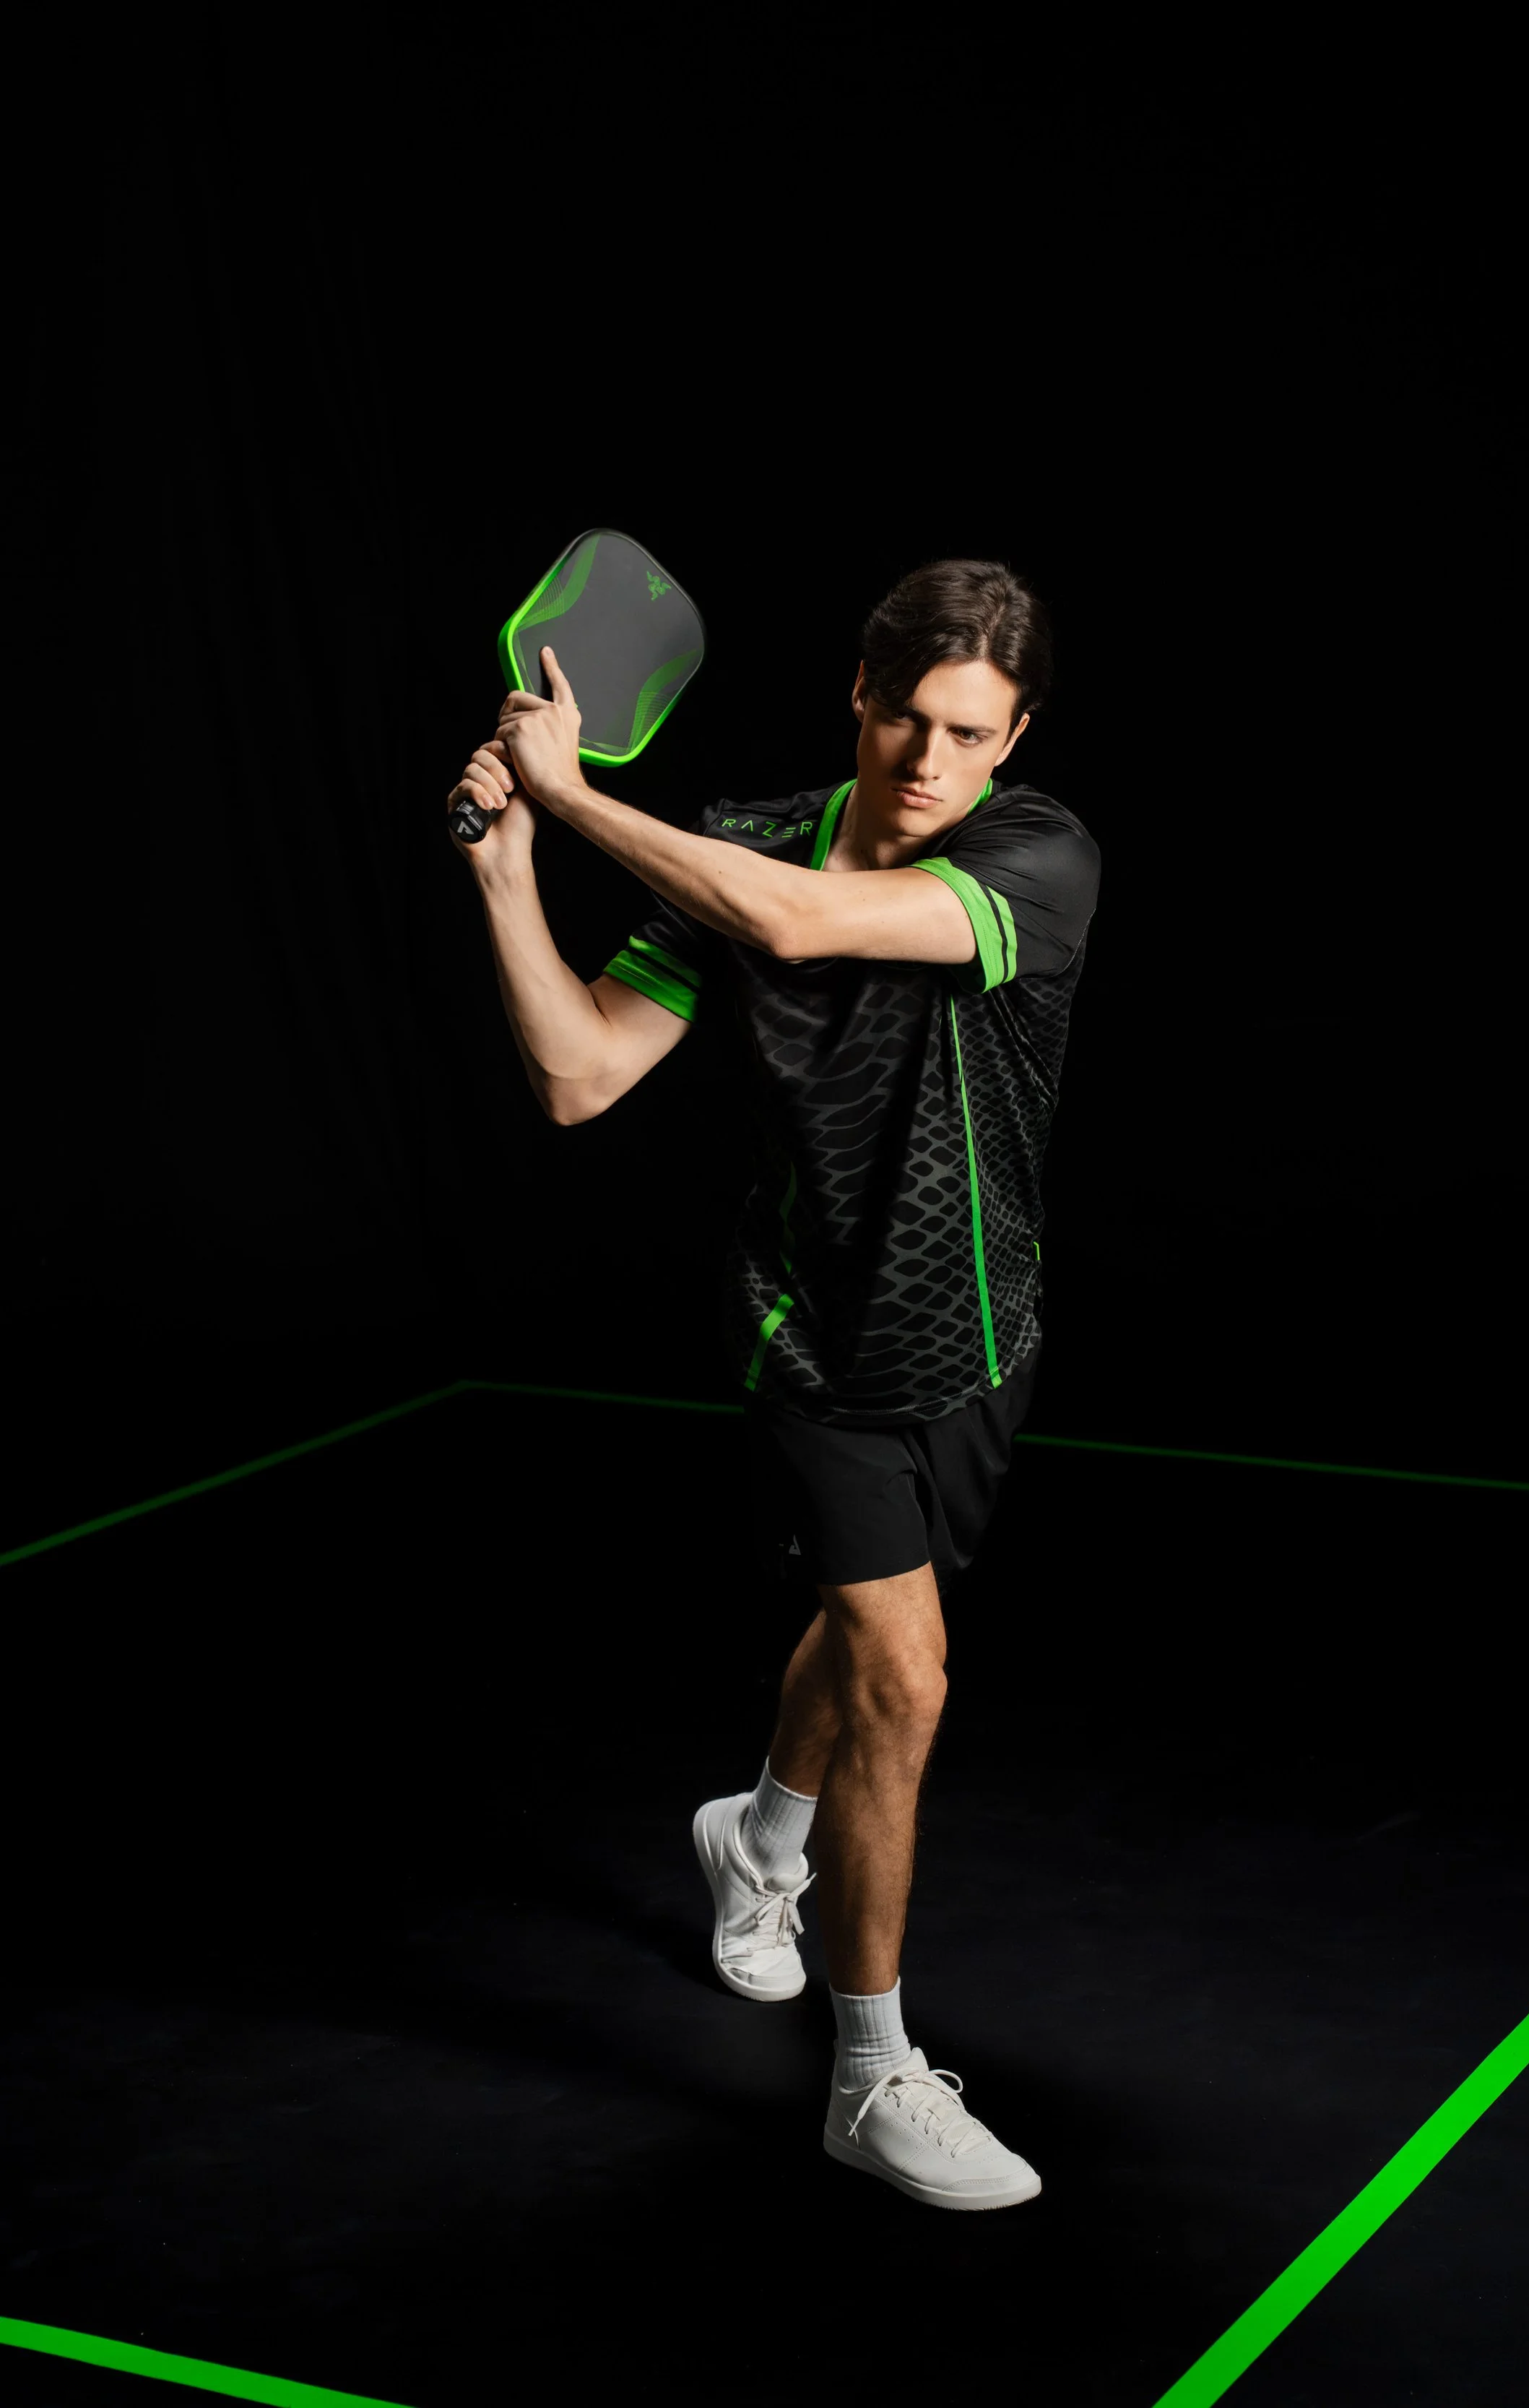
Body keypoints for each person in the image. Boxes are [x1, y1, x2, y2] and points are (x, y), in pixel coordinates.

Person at [448, 558, 1099, 2210]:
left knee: (864, 1630)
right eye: (905, 717)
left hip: (972, 1329)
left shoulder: (1040, 856)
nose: (928, 762)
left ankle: (759, 1833)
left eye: (968, 732)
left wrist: (573, 790)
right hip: (805, 1327)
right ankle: (871, 2071)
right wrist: (515, 873)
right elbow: (581, 1074)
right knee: (905, 1674)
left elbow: (801, 920)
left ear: (1011, 738)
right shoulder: (746, 835)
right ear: (858, 697)